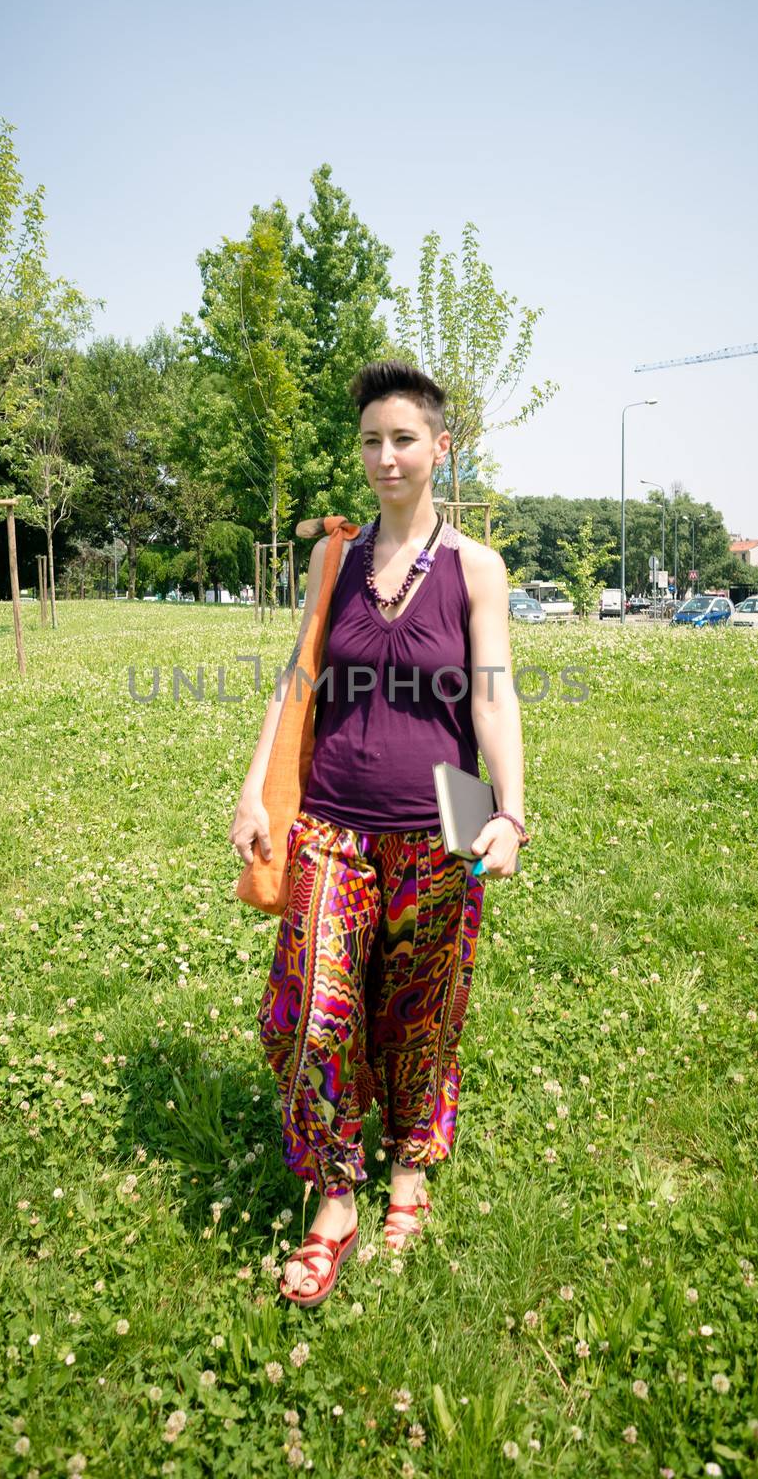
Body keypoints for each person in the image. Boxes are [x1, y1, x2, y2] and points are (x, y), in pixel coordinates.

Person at [228, 359, 529, 1306]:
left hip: (446, 818)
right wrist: (255, 791)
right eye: (370, 439)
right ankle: (336, 1198)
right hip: (332, 817)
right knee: (316, 1008)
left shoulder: (478, 568)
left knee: (423, 1012)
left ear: (442, 447)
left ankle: (408, 1174)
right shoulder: (336, 558)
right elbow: (297, 678)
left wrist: (511, 811)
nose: (385, 456)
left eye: (403, 438)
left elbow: (493, 698)